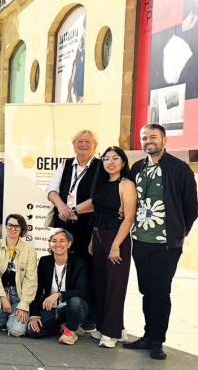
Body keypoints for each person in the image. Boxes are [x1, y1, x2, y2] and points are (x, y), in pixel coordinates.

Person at [123, 123, 198, 360]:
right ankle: (147, 335)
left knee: (161, 292)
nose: (148, 141)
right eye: (144, 138)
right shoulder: (137, 168)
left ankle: (157, 341)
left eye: (153, 137)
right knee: (146, 291)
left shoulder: (179, 169)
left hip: (166, 244)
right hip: (140, 240)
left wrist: (178, 232)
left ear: (165, 140)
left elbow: (191, 207)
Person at [74, 146, 136, 347]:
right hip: (98, 236)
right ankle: (110, 328)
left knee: (115, 287)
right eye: (106, 158)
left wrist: (116, 245)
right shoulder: (101, 182)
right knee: (100, 285)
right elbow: (96, 208)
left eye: (115, 158)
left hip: (116, 238)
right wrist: (93, 239)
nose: (110, 162)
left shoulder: (126, 184)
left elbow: (129, 218)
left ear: (123, 162)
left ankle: (110, 333)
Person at [26, 228, 90, 344]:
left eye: (62, 241)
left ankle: (70, 330)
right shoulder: (45, 261)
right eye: (54, 241)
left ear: (69, 243)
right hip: (53, 309)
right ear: (49, 244)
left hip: (74, 308)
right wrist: (34, 315)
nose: (58, 244)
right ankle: (66, 326)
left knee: (75, 301)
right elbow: (37, 289)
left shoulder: (79, 263)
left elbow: (81, 291)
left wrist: (59, 295)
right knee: (32, 331)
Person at [0, 214, 38, 337]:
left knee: (17, 331)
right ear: (6, 226)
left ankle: (12, 319)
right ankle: (1, 322)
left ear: (22, 229)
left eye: (17, 226)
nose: (13, 229)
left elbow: (31, 281)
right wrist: (3, 297)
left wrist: (23, 305)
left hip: (19, 294)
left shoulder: (29, 251)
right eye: (10, 225)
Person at [46, 129, 100, 258]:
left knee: (84, 263)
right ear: (74, 145)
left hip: (87, 227)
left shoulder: (101, 167)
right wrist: (61, 206)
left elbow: (98, 198)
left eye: (88, 141)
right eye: (79, 141)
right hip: (62, 225)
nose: (83, 144)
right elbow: (51, 190)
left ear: (95, 146)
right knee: (61, 261)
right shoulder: (65, 164)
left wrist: (72, 211)